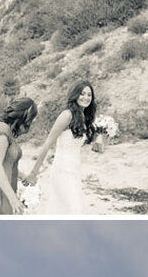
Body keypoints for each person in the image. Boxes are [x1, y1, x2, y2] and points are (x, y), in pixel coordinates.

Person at [26, 81, 97, 215]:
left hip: (75, 171)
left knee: (64, 210)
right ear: (75, 95)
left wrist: (100, 136)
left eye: (89, 95)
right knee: (74, 210)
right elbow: (47, 144)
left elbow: (89, 145)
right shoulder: (67, 115)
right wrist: (33, 173)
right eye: (82, 94)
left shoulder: (84, 117)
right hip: (62, 170)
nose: (86, 97)